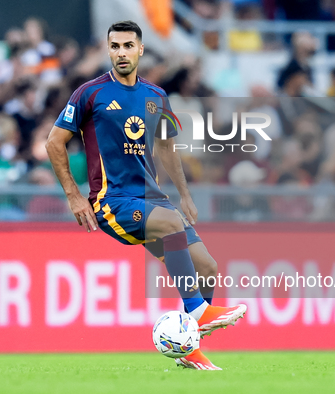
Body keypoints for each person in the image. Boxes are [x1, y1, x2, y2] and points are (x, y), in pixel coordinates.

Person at [46, 20, 246, 371]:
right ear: (108, 50)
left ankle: (188, 350)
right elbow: (53, 142)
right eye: (115, 46)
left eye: (127, 46)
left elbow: (167, 146)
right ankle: (198, 312)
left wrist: (184, 194)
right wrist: (74, 197)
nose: (121, 53)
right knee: (171, 226)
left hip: (153, 200)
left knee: (208, 269)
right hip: (112, 202)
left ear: (140, 50)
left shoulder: (156, 96)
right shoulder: (89, 93)